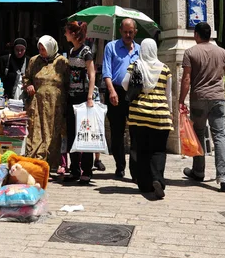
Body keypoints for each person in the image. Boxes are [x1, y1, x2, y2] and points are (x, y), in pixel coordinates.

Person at [179, 21, 225, 193]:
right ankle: (224, 178)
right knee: (220, 136)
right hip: (218, 99)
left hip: (199, 98)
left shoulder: (190, 52)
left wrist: (181, 101)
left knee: (198, 134)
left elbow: (186, 80)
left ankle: (198, 171)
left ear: (196, 35)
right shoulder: (222, 52)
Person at [122, 38, 173, 199]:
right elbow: (169, 95)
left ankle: (144, 185)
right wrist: (169, 113)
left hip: (139, 115)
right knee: (158, 150)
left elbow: (124, 84)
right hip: (160, 116)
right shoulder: (165, 69)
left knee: (142, 150)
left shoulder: (135, 66)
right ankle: (157, 179)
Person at [102, 18, 140, 179]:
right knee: (117, 132)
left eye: (131, 32)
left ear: (135, 32)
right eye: (125, 31)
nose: (128, 34)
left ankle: (135, 168)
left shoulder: (140, 49)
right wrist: (111, 91)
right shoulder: (111, 47)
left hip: (134, 94)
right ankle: (120, 166)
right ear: (120, 31)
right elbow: (107, 72)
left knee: (135, 132)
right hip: (116, 91)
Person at [24, 36, 69, 169]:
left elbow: (68, 82)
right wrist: (29, 85)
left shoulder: (62, 62)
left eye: (44, 49)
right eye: (40, 48)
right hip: (37, 103)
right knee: (36, 130)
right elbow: (27, 77)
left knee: (54, 132)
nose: (41, 51)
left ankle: (52, 163)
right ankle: (36, 161)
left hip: (56, 105)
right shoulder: (34, 61)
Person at [63, 21, 96, 184]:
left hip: (83, 97)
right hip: (71, 96)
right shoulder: (71, 51)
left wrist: (90, 97)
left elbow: (92, 74)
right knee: (72, 134)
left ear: (73, 34)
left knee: (85, 133)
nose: (65, 34)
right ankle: (74, 168)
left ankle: (87, 170)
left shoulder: (86, 51)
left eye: (67, 32)